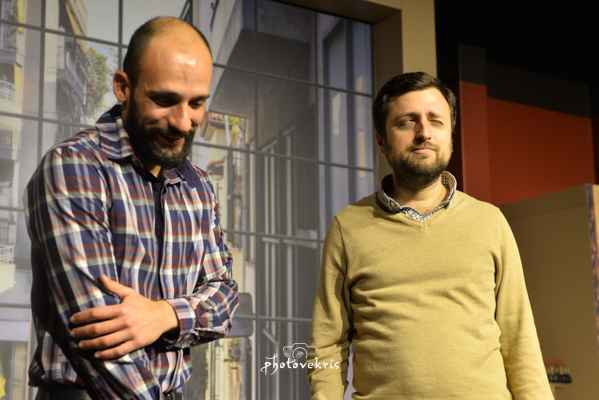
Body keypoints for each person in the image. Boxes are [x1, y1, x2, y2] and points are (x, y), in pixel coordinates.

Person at [25, 17, 239, 400]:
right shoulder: (75, 166)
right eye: (165, 100)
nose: (183, 122)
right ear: (123, 87)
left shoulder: (200, 186)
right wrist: (187, 314)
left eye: (196, 103)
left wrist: (165, 315)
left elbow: (224, 299)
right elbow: (101, 340)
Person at [308, 72, 553, 399]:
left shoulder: (489, 222)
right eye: (406, 122)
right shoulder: (349, 227)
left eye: (435, 121)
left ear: (450, 134)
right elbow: (327, 344)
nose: (423, 133)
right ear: (381, 141)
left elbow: (519, 337)